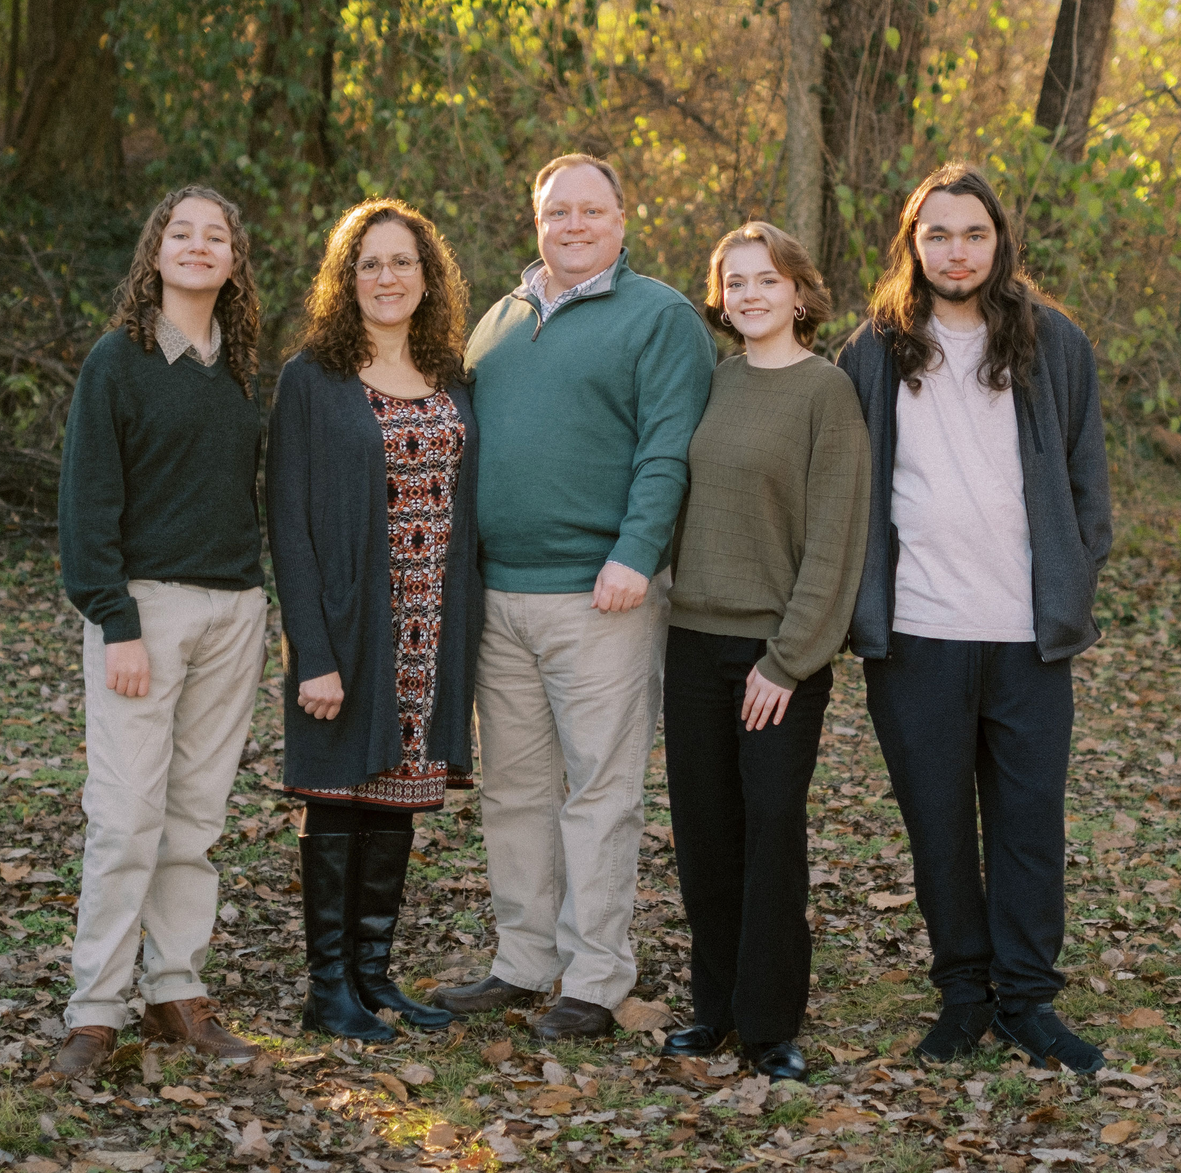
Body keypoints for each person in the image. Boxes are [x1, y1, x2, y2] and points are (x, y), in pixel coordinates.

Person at [431, 154, 717, 1041]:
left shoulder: (661, 317)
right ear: (537, 219)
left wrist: (637, 554)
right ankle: (524, 959)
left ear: (623, 220)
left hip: (604, 598)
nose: (574, 226)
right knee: (516, 790)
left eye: (592, 211)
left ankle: (595, 976)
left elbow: (669, 447)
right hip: (499, 598)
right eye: (559, 212)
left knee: (599, 791)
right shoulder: (500, 322)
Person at [836, 162, 1113, 1074]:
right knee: (940, 823)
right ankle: (963, 994)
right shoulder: (871, 351)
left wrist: (1071, 578)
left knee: (1030, 822)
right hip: (916, 634)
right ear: (913, 244)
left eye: (975, 234)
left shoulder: (1055, 342)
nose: (957, 252)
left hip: (1027, 636)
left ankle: (1028, 1000)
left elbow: (1086, 486)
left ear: (1000, 242)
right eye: (938, 234)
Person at [48, 186, 270, 1079]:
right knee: (127, 818)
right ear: (156, 251)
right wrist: (116, 620)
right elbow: (86, 506)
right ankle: (95, 1012)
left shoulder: (244, 367)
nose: (198, 246)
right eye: (182, 232)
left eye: (215, 236)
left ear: (233, 261)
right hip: (144, 613)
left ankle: (176, 992)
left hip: (235, 612)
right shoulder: (118, 361)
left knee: (195, 821)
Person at [268, 198, 481, 1043]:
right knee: (336, 794)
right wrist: (310, 653)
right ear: (345, 280)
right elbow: (286, 521)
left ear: (428, 278)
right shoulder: (310, 379)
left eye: (402, 263)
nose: (387, 277)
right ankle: (328, 991)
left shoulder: (452, 375)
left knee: (395, 793)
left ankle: (372, 975)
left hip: (431, 618)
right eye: (370, 264)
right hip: (349, 624)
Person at [660, 223, 870, 1082]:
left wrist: (787, 661)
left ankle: (770, 1023)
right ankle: (714, 1010)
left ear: (798, 293)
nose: (749, 295)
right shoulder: (710, 384)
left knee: (772, 831)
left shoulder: (826, 393)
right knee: (705, 834)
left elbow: (835, 539)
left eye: (765, 280)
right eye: (734, 283)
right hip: (692, 641)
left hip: (777, 654)